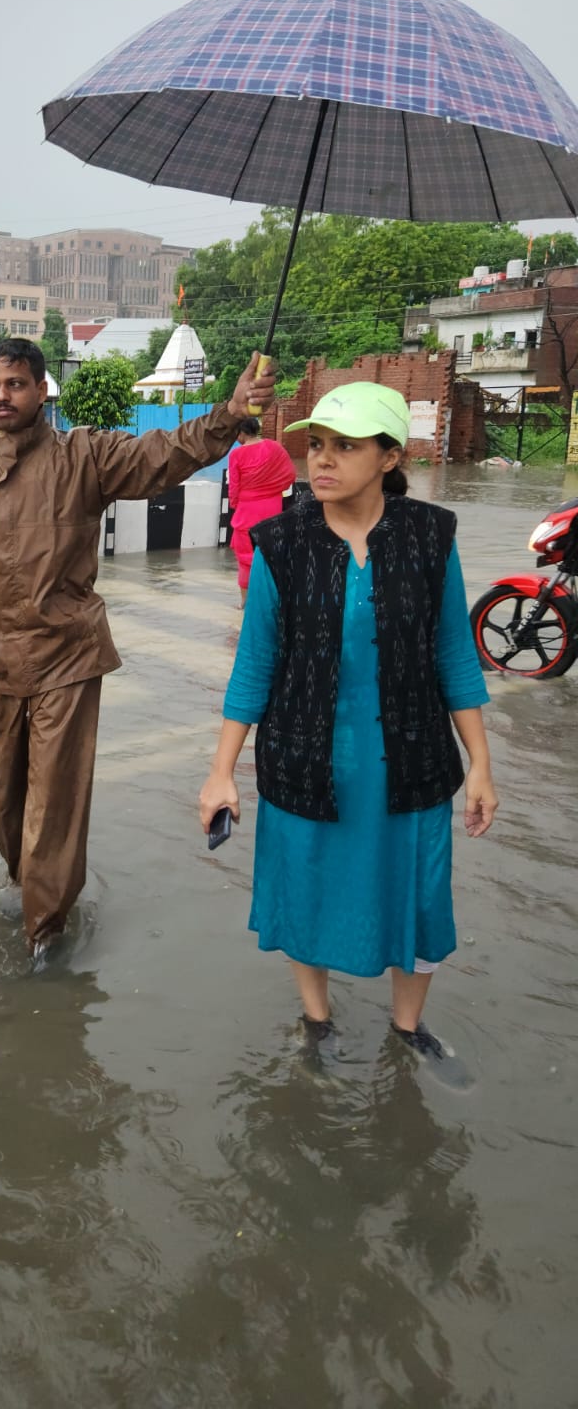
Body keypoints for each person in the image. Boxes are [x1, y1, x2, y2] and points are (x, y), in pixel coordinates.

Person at [0, 337, 276, 963]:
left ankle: (45, 931)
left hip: (65, 655)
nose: (1, 396)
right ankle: (30, 884)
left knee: (55, 799)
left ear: (43, 391)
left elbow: (163, 453)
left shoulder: (84, 455)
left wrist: (228, 416)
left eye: (15, 384)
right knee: (0, 797)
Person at [198, 382, 498, 1064]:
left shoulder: (430, 536)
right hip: (306, 757)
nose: (322, 462)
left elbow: (453, 651)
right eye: (318, 446)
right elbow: (255, 666)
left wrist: (480, 761)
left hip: (412, 754)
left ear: (389, 457)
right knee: (305, 887)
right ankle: (317, 1022)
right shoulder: (280, 543)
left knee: (419, 893)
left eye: (346, 447)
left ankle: (408, 1028)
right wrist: (221, 773)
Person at [227, 416, 296, 607]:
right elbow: (290, 474)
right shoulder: (275, 447)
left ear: (240, 433)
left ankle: (244, 603)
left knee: (245, 559)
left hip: (247, 509)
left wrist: (236, 504)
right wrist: (273, 491)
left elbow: (234, 487)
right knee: (271, 555)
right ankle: (271, 601)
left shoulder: (236, 455)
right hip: (272, 507)